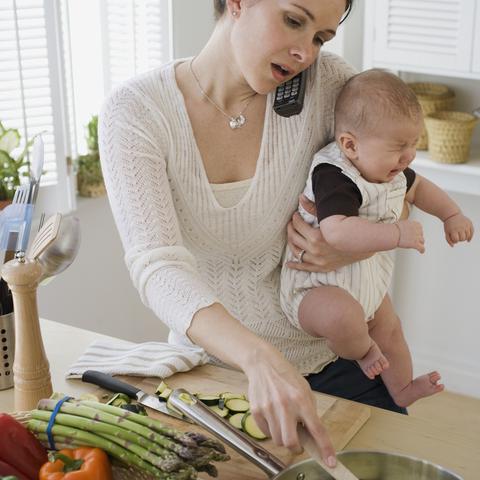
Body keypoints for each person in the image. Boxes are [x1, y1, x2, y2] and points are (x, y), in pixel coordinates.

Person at [98, 0, 396, 466]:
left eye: (320, 37)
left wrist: (344, 246)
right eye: (294, 21)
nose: (305, 54)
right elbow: (156, 265)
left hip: (337, 359)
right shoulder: (137, 112)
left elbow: (392, 181)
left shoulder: (329, 87)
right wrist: (260, 359)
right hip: (211, 381)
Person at [281, 69, 474, 408]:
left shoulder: (391, 170)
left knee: (391, 328)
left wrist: (451, 215)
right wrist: (396, 232)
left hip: (364, 281)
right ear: (350, 145)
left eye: (413, 144)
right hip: (315, 288)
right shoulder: (335, 174)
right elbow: (336, 231)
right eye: (399, 146)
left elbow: (421, 189)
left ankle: (401, 388)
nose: (409, 156)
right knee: (344, 318)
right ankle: (363, 352)